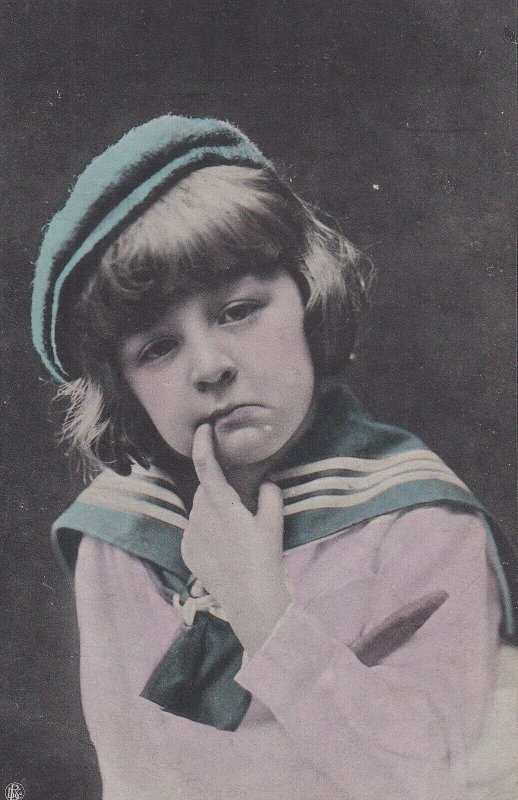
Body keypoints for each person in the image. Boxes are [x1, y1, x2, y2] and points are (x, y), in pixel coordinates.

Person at [31, 115, 517, 800]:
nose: (210, 366)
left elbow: (429, 782)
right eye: (157, 348)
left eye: (238, 311)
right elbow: (137, 779)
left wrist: (264, 611)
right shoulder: (120, 539)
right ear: (124, 389)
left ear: (307, 299)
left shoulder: (421, 526)